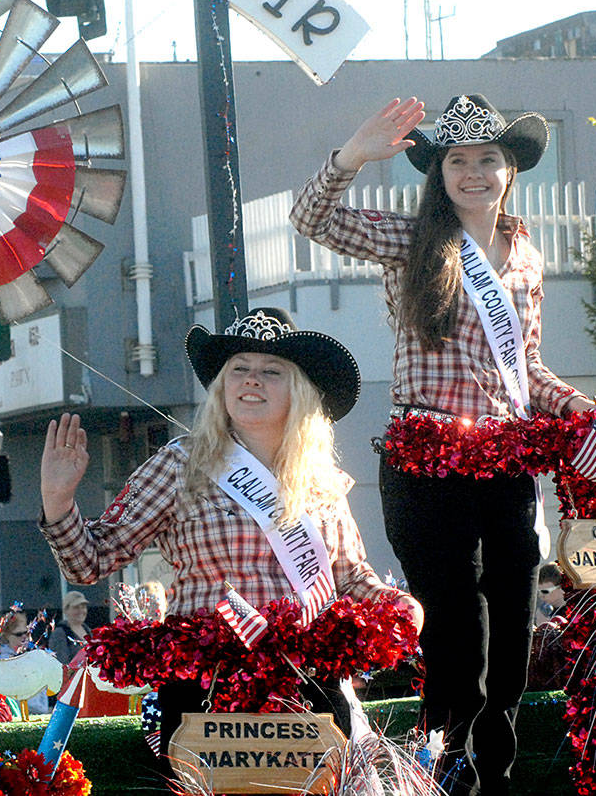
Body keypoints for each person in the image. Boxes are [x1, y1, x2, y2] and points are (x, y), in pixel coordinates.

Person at [290, 94, 595, 796]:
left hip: (506, 460)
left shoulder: (525, 256)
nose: (475, 173)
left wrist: (586, 408)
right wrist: (351, 157)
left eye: (489, 159)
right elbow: (311, 221)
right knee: (458, 622)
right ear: (440, 173)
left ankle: (494, 770)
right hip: (426, 458)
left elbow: (530, 369)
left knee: (514, 619)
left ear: (511, 170)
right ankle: (450, 763)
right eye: (459, 161)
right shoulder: (412, 238)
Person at [38, 308, 422, 765]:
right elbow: (90, 562)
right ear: (222, 385)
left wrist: (398, 605)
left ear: (300, 391)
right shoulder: (180, 464)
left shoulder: (322, 481)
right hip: (206, 681)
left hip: (307, 680)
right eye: (239, 368)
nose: (251, 380)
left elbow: (350, 580)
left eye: (271, 371)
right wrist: (58, 500)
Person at [0, 611, 50, 717]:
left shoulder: (35, 654)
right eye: (18, 634)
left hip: (40, 712)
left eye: (26, 633)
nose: (24, 637)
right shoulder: (1, 659)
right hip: (16, 714)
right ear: (7, 635)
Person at [48, 590, 91, 667]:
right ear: (66, 610)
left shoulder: (88, 631)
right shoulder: (60, 634)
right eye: (76, 607)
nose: (81, 611)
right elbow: (62, 664)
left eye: (83, 607)